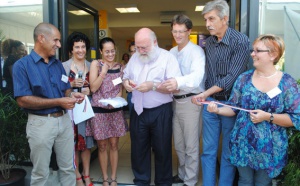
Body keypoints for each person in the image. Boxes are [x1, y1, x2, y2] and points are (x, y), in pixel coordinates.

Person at [206, 34, 300, 185]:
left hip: (270, 149)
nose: (252, 54)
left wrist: (268, 116)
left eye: (257, 51)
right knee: (245, 180)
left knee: (262, 183)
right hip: (243, 145)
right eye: (253, 50)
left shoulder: (287, 83)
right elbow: (233, 108)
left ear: (273, 54)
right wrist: (217, 110)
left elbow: (296, 118)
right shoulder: (244, 78)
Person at [12, 22, 85, 186]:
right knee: (40, 174)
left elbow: (65, 89)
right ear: (41, 38)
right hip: (40, 124)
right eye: (56, 40)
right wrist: (59, 101)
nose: (59, 45)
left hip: (65, 122)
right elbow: (22, 99)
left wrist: (73, 95)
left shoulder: (57, 64)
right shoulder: (22, 66)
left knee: (68, 168)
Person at [191, 0, 250, 185]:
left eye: (211, 19)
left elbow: (232, 76)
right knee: (208, 151)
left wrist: (204, 93)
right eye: (206, 19)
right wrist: (204, 94)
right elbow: (208, 73)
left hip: (231, 105)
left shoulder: (240, 41)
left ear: (224, 19)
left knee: (228, 152)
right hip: (210, 104)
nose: (207, 24)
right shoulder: (208, 43)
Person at [122, 28, 182, 186]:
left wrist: (153, 86)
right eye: (137, 47)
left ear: (155, 43)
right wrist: (126, 83)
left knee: (162, 149)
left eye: (144, 47)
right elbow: (125, 76)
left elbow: (175, 88)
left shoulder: (168, 58)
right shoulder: (134, 57)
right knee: (138, 149)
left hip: (160, 111)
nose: (140, 51)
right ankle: (141, 180)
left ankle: (163, 182)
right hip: (138, 110)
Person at [162, 14, 205, 186]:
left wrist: (177, 82)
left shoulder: (197, 51)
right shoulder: (172, 52)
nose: (177, 35)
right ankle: (181, 173)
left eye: (181, 31)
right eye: (175, 31)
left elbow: (196, 77)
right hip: (174, 102)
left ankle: (190, 180)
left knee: (191, 145)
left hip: (191, 102)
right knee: (178, 143)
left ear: (189, 31)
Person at [87, 37, 128, 186]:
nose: (110, 54)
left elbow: (121, 88)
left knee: (114, 145)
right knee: (102, 146)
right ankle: (105, 178)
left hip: (115, 110)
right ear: (100, 51)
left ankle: (114, 177)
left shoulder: (120, 66)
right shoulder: (96, 65)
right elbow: (93, 88)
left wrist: (118, 96)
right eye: (107, 51)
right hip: (99, 111)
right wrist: (103, 72)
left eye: (112, 51)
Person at [62, 31, 94, 186]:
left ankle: (86, 174)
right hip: (71, 112)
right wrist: (71, 85)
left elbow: (97, 87)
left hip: (86, 111)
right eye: (77, 47)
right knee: (73, 145)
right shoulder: (64, 66)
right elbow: (59, 88)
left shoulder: (91, 65)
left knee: (86, 144)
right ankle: (77, 176)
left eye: (83, 46)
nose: (81, 50)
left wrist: (91, 91)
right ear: (71, 49)